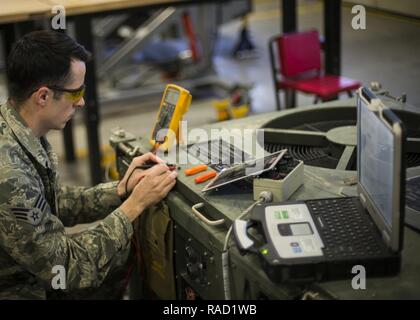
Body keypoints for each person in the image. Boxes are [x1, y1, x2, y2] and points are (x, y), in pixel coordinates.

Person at [0, 30, 177, 299]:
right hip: (18, 288)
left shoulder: (17, 128)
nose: (82, 101)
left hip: (28, 270)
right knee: (115, 253)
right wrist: (134, 206)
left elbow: (51, 202)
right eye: (76, 92)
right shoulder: (9, 172)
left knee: (116, 254)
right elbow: (65, 269)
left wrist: (121, 189)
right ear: (43, 96)